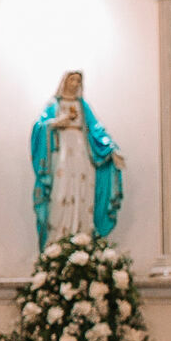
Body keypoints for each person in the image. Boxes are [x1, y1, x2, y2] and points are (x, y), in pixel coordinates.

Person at [30, 70, 125, 249]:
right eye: (72, 79)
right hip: (61, 156)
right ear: (64, 81)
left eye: (78, 81)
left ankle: (84, 238)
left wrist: (111, 149)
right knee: (60, 193)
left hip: (82, 154)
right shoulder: (53, 106)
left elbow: (97, 129)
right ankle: (57, 241)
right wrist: (58, 122)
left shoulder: (83, 106)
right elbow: (39, 127)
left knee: (82, 192)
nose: (75, 84)